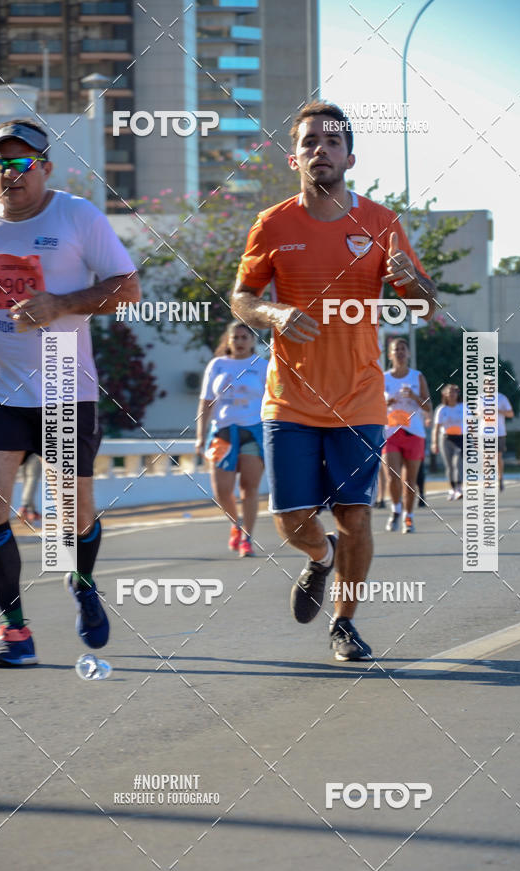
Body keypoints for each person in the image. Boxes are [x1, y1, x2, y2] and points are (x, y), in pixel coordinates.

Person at [231, 100, 436, 661]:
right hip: (291, 397)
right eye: (309, 142)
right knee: (290, 518)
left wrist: (410, 280)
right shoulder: (272, 224)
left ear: (350, 156)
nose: (319, 150)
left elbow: (424, 305)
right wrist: (273, 315)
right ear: (293, 156)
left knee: (356, 515)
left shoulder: (379, 223)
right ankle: (319, 559)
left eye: (331, 142)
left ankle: (344, 624)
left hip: (359, 397)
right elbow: (242, 298)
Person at [0, 117, 140, 667]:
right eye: (1, 163)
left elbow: (128, 289)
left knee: (74, 516)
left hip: (66, 384)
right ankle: (15, 632)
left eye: (21, 163)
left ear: (45, 167)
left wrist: (61, 303)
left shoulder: (77, 215)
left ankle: (82, 580)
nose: (10, 173)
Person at [196, 321, 267, 557]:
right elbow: (206, 402)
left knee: (250, 489)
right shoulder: (217, 365)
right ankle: (235, 525)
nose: (239, 342)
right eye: (235, 337)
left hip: (253, 432)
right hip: (222, 432)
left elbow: (274, 401)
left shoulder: (262, 366)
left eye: (244, 337)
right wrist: (200, 436)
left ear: (252, 341)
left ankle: (247, 537)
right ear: (228, 340)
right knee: (222, 491)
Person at [383, 337, 432, 533]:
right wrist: (386, 403)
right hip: (390, 431)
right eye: (396, 350)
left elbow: (428, 406)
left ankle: (408, 516)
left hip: (414, 432)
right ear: (390, 354)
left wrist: (414, 397)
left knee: (410, 480)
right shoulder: (383, 378)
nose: (400, 353)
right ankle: (395, 510)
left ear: (408, 353)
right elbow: (371, 406)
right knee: (392, 476)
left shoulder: (417, 376)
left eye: (403, 349)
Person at [431, 384, 464, 499]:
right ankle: (452, 488)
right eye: (449, 392)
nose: (452, 394)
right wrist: (434, 443)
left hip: (460, 438)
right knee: (449, 466)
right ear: (444, 394)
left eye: (454, 392)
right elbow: (436, 427)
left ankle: (459, 488)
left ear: (457, 394)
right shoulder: (441, 409)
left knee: (458, 463)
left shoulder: (463, 407)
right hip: (446, 439)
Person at [496, 391, 513, 491]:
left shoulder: (501, 398)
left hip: (499, 432)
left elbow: (511, 413)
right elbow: (474, 414)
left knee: (498, 457)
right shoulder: (480, 398)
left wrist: (498, 411)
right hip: (484, 433)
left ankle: (500, 478)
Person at [17, 452, 42, 524]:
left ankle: (31, 510)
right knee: (32, 477)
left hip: (21, 448)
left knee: (26, 479)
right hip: (34, 450)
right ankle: (25, 507)